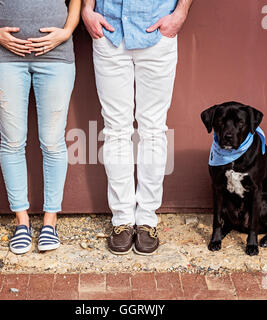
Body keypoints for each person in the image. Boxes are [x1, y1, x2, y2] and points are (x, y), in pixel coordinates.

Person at [82, 0, 192, 255]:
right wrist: (88, 10)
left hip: (156, 31)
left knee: (153, 129)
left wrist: (180, 12)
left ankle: (146, 220)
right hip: (109, 32)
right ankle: (121, 220)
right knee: (115, 129)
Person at [0, 0, 81, 254]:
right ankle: (22, 222)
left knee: (53, 142)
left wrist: (67, 29)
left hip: (56, 57)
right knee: (12, 141)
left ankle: (50, 223)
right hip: (5, 57)